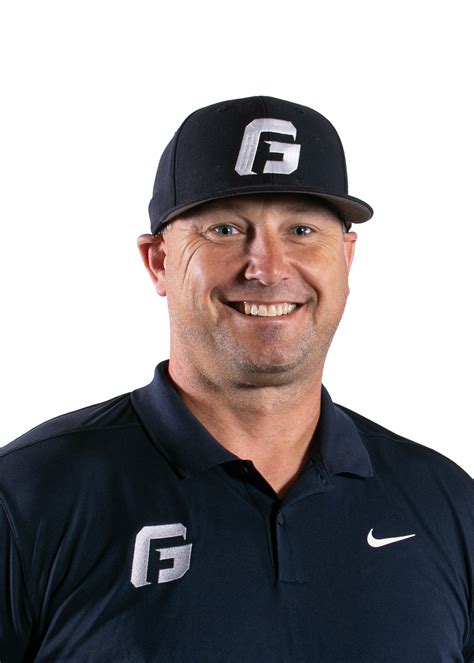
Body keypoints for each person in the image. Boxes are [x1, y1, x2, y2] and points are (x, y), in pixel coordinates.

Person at [0, 96, 472, 662]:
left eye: (301, 230)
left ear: (347, 258)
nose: (267, 268)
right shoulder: (27, 498)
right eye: (224, 229)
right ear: (158, 261)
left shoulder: (446, 504)